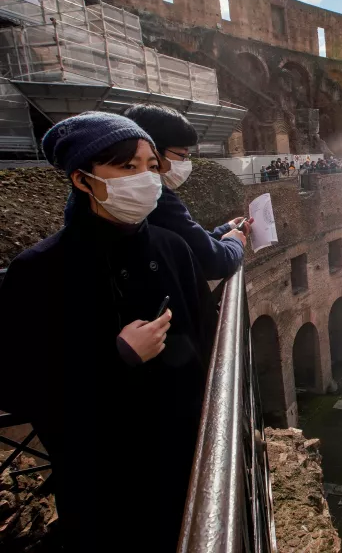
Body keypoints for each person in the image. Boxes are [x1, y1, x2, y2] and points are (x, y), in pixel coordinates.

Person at [0, 112, 217, 552]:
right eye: (126, 167)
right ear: (82, 180)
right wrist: (116, 356)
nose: (145, 178)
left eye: (151, 166)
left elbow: (208, 342)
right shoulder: (38, 271)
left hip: (183, 455)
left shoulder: (172, 248)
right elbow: (18, 387)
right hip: (102, 473)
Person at [121, 105, 249, 281]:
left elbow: (188, 240)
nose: (187, 163)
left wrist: (226, 229)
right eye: (182, 156)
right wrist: (235, 241)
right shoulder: (154, 198)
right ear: (154, 151)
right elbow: (214, 262)